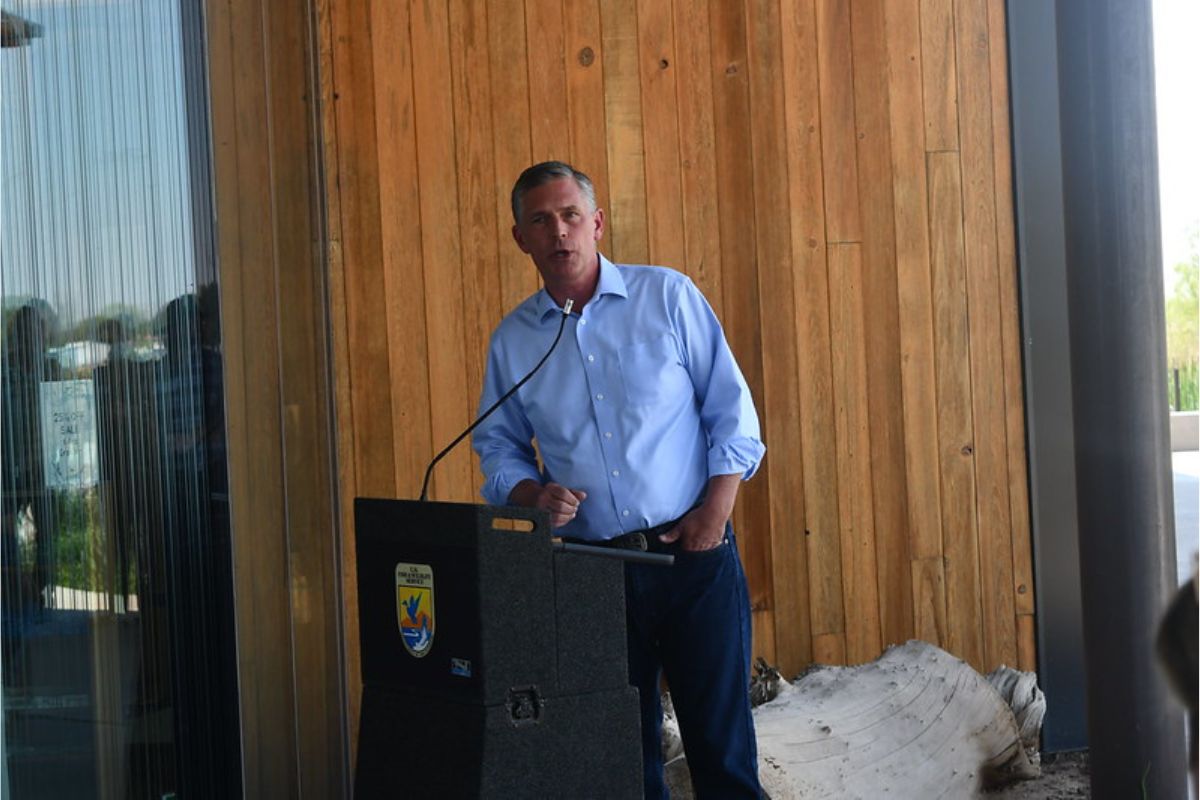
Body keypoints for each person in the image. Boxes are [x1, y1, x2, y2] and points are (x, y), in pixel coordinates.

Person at [472, 161, 765, 798]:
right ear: (520, 237)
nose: (559, 232)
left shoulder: (668, 297)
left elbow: (732, 414)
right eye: (540, 220)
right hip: (590, 573)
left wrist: (714, 516)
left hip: (693, 559)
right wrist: (530, 494)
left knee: (724, 757)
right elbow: (495, 447)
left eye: (571, 215)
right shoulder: (514, 342)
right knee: (619, 766)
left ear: (597, 223)